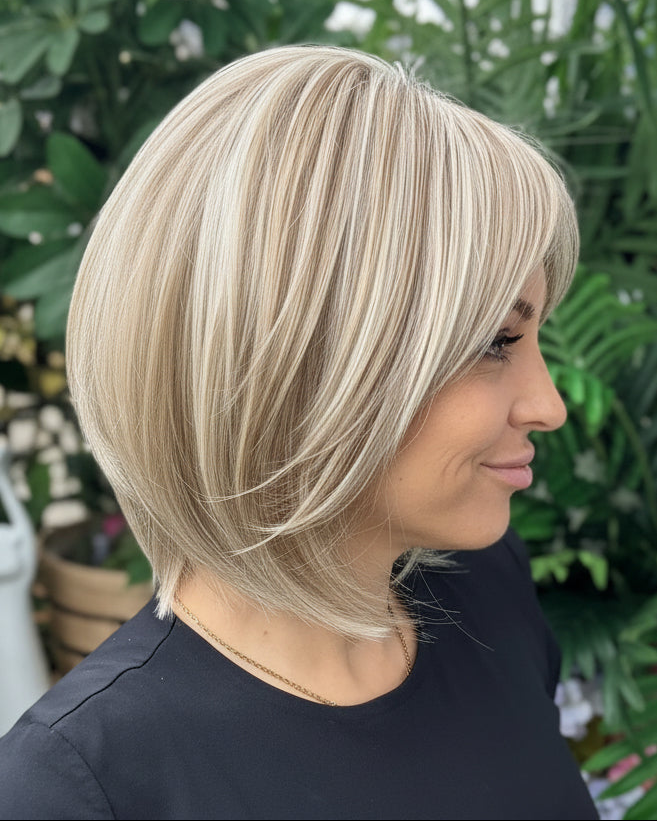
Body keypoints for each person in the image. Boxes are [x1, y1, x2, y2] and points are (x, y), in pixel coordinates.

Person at [0, 44, 599, 820]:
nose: (547, 403)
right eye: (494, 341)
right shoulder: (80, 787)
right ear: (301, 365)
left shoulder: (483, 591)